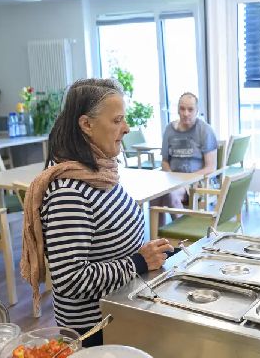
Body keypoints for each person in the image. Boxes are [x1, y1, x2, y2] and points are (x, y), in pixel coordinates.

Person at [20, 78, 173, 347]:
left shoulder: (100, 173)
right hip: (96, 330)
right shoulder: (69, 193)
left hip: (121, 312)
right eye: (117, 120)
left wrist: (148, 254)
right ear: (86, 125)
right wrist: (138, 262)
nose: (127, 128)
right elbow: (69, 280)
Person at [153, 92, 218, 224]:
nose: (185, 113)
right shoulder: (169, 129)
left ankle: (182, 231)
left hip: (197, 181)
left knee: (171, 195)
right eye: (182, 109)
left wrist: (186, 180)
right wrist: (172, 178)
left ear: (197, 111)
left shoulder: (205, 130)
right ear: (178, 110)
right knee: (154, 195)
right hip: (173, 179)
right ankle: (158, 233)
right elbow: (165, 162)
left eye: (190, 109)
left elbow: (211, 167)